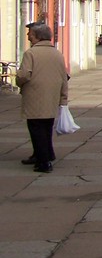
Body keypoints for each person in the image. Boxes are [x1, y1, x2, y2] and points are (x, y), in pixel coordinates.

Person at [16, 22, 69, 173]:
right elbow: (64, 77)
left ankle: (43, 162)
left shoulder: (30, 53)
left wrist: (18, 80)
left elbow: (24, 75)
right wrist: (63, 98)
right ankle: (44, 154)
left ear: (37, 36)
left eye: (30, 34)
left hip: (35, 96)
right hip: (51, 97)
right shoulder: (57, 54)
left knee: (36, 128)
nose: (28, 36)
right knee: (46, 127)